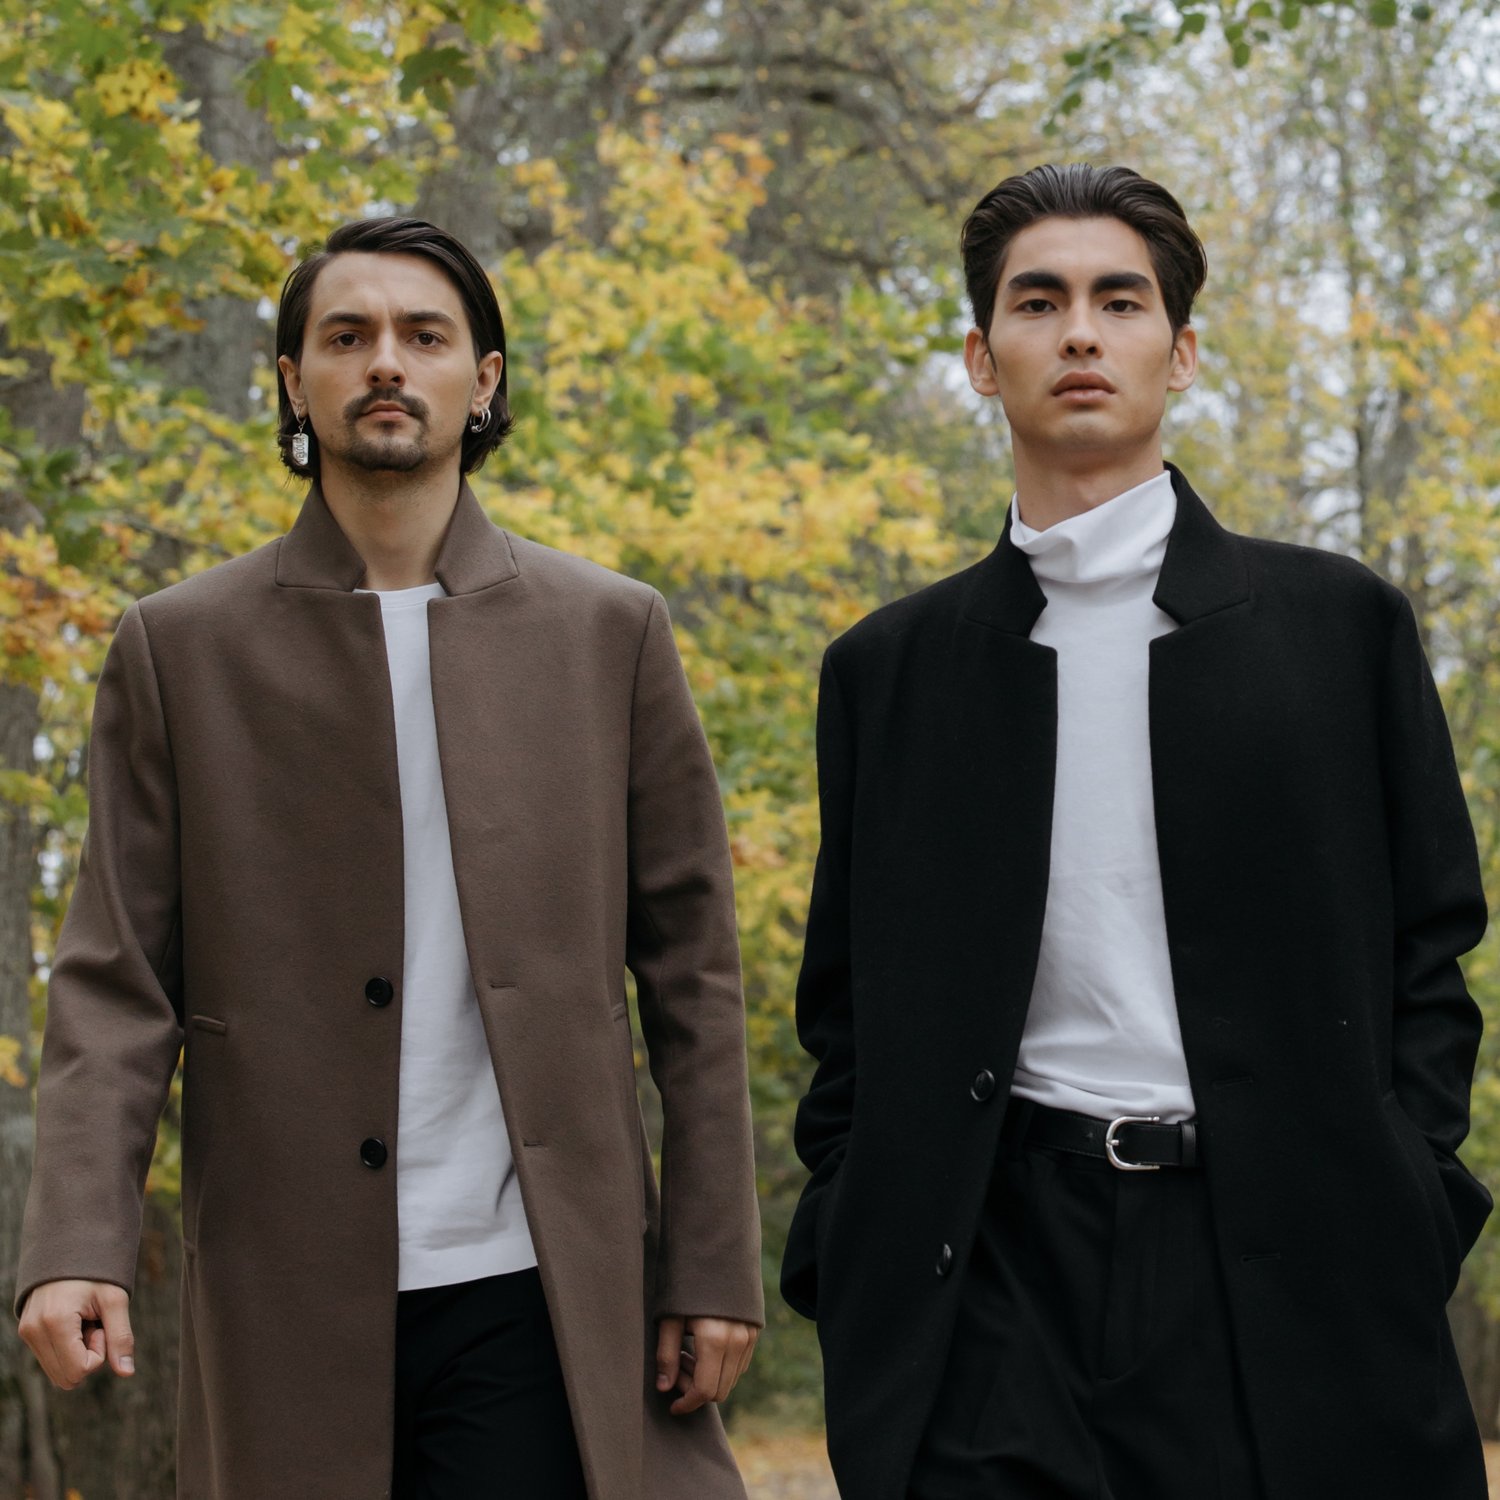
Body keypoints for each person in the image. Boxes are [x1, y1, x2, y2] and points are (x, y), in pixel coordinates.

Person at [16, 216, 762, 1500]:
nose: (386, 365)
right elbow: (116, 979)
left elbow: (692, 976)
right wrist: (76, 1236)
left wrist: (709, 1260)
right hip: (286, 1290)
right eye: (346, 336)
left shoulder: (609, 633)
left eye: (425, 336)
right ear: (294, 384)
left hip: (540, 1286)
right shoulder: (177, 648)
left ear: (485, 382)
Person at [780, 163, 1490, 1500]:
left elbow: (1430, 947)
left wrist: (1407, 1195)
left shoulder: (1339, 629)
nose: (1083, 333)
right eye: (1038, 303)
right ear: (985, 360)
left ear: (1183, 351)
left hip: (1279, 1257)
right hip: (990, 1275)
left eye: (1122, 299)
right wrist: (846, 1227)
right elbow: (846, 1006)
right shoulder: (890, 669)